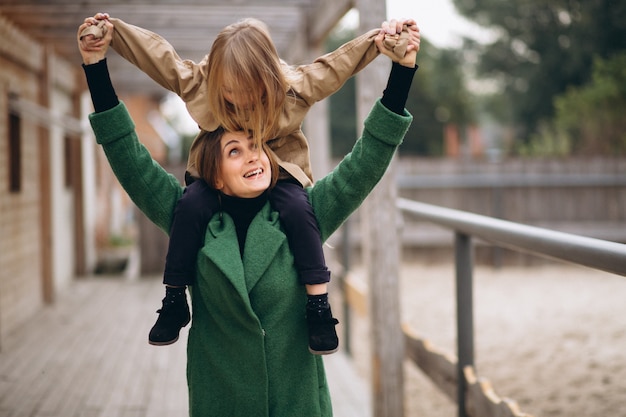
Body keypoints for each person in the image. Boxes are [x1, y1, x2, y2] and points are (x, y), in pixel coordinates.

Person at [78, 13, 417, 415]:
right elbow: (128, 155)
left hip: (298, 406)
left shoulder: (306, 211)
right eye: (233, 150)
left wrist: (402, 71)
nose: (252, 153)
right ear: (213, 173)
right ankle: (172, 302)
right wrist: (95, 65)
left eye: (257, 143)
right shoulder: (191, 217)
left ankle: (319, 305)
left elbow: (367, 159)